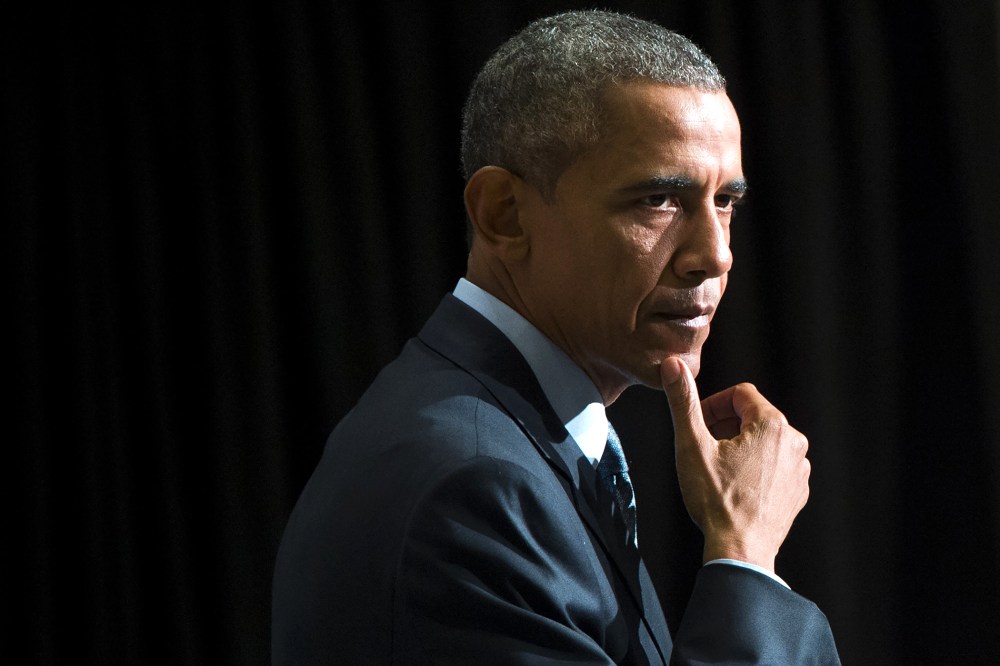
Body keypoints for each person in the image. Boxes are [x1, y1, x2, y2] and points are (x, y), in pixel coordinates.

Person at [272, 9, 840, 664]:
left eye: (724, 202)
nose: (715, 255)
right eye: (659, 200)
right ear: (504, 214)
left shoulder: (505, 437)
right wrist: (744, 553)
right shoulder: (473, 488)